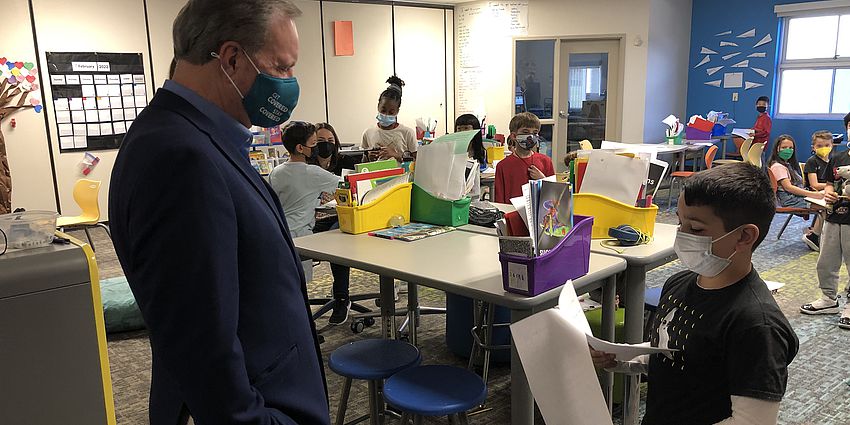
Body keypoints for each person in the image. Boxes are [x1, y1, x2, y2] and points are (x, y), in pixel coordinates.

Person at [108, 1, 330, 424]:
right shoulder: (180, 158)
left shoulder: (197, 136)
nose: (289, 82)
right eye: (282, 67)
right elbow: (200, 347)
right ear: (231, 59)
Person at [591, 162, 799, 425]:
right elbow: (673, 352)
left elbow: (752, 421)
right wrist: (620, 358)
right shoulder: (678, 284)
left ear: (744, 236)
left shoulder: (757, 325)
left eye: (696, 229)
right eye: (680, 223)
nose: (682, 236)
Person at [269, 121, 353, 325]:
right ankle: (303, 324)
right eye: (314, 143)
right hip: (302, 237)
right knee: (300, 287)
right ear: (301, 148)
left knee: (288, 287)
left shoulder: (276, 171)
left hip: (279, 234)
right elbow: (347, 184)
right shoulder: (312, 172)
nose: (317, 148)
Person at [800, 130, 850, 328]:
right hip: (833, 216)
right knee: (826, 261)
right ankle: (829, 299)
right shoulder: (838, 158)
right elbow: (829, 183)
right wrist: (828, 193)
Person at [767, 134, 824, 250]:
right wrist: (813, 195)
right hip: (790, 200)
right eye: (784, 147)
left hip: (795, 197)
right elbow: (788, 188)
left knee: (827, 202)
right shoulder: (778, 166)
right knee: (827, 207)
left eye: (791, 148)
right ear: (777, 149)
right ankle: (814, 236)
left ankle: (814, 232)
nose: (788, 150)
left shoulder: (787, 165)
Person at [493, 112, 555, 203]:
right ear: (514, 136)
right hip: (511, 210)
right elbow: (499, 200)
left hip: (540, 210)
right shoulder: (503, 166)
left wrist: (542, 179)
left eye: (535, 133)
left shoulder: (546, 161)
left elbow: (554, 195)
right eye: (525, 132)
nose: (531, 136)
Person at [361, 75, 418, 163]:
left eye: (391, 112)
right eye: (383, 110)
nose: (386, 115)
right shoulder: (368, 133)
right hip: (377, 171)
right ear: (378, 106)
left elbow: (417, 162)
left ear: (397, 111)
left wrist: (396, 155)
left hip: (401, 172)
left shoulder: (407, 133)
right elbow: (363, 164)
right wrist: (369, 158)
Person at [455, 114, 487, 201]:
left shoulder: (479, 150)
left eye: (466, 128)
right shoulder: (454, 150)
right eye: (459, 129)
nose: (462, 132)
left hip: (474, 194)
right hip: (458, 194)